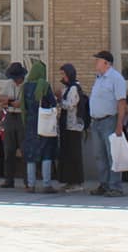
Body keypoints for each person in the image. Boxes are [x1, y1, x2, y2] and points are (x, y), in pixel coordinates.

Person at [87, 50, 127, 197]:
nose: (95, 63)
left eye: (98, 60)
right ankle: (104, 184)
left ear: (107, 63)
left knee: (112, 155)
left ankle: (115, 187)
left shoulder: (116, 78)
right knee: (99, 155)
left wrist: (119, 125)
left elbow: (121, 102)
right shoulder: (99, 78)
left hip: (109, 121)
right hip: (96, 121)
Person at [21, 61, 57, 194]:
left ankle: (31, 185)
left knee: (31, 155)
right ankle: (46, 184)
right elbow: (53, 103)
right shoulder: (45, 85)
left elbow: (23, 107)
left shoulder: (25, 87)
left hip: (30, 124)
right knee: (46, 153)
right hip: (44, 124)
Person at [56, 63, 86, 193]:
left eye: (64, 74)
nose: (62, 77)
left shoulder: (74, 88)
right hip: (66, 126)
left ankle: (77, 182)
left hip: (74, 127)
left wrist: (59, 101)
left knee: (74, 155)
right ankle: (69, 181)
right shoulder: (67, 88)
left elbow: (70, 105)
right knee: (66, 154)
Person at [0, 61, 26, 188]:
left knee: (24, 149)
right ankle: (9, 179)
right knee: (9, 149)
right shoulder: (8, 83)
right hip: (9, 116)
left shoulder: (27, 85)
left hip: (22, 117)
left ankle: (27, 180)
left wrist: (20, 103)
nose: (15, 80)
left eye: (17, 78)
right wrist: (8, 100)